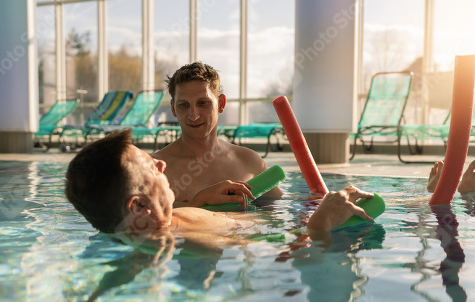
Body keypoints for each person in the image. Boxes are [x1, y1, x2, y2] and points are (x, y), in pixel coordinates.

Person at [65, 129, 375, 239]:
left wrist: (197, 203)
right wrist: (318, 229)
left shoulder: (166, 225)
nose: (160, 163)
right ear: (140, 206)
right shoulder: (177, 243)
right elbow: (282, 260)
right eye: (150, 165)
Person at [152, 61, 283, 206]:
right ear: (173, 108)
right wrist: (197, 202)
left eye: (203, 103)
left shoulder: (249, 162)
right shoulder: (156, 169)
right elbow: (136, 219)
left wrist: (311, 203)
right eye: (183, 105)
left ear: (221, 104)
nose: (193, 115)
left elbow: (280, 211)